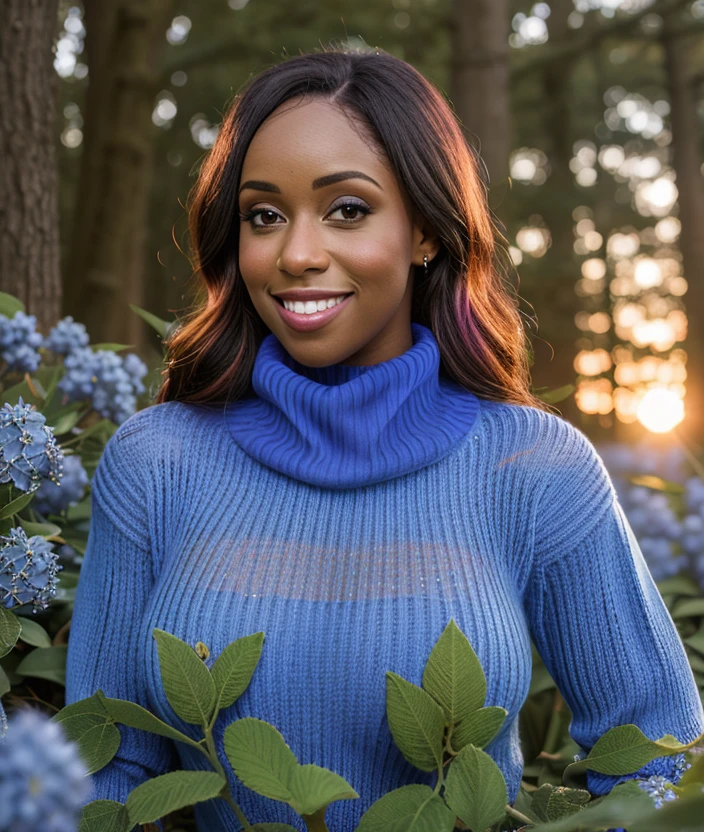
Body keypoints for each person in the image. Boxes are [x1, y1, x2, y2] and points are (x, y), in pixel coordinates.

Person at [64, 47, 704, 832]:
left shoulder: (535, 469)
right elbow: (106, 775)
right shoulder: (156, 464)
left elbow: (663, 759)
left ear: (428, 231)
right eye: (264, 216)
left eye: (347, 210)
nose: (297, 254)